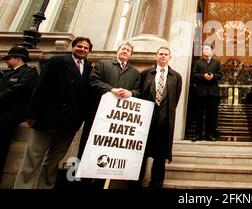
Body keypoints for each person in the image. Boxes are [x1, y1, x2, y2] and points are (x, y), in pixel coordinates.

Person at [14, 37, 93, 189]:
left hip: (69, 124)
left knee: (53, 162)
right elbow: (41, 88)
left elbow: (85, 97)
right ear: (73, 47)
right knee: (33, 159)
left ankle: (45, 187)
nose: (82, 49)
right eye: (80, 46)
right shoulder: (56, 61)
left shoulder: (89, 68)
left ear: (89, 51)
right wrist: (31, 115)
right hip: (47, 119)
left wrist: (79, 120)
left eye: (86, 48)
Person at [78, 41, 141, 188]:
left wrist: (130, 93)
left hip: (118, 123)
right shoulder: (102, 65)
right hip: (98, 117)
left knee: (110, 153)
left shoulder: (135, 73)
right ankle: (83, 182)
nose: (125, 52)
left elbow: (139, 91)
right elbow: (93, 82)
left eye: (128, 50)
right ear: (117, 51)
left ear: (131, 54)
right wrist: (111, 90)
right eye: (122, 49)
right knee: (88, 150)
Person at [136, 46, 182, 189]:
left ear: (170, 57)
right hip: (146, 119)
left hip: (164, 120)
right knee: (142, 151)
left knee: (161, 153)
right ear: (156, 56)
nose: (163, 56)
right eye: (160, 54)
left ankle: (156, 182)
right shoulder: (146, 73)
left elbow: (175, 99)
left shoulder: (176, 77)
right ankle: (138, 181)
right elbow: (139, 92)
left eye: (166, 54)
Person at [0, 46, 39, 182]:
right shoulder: (6, 73)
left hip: (12, 114)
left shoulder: (29, 73)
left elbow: (16, 89)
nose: (8, 61)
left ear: (18, 58)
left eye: (10, 58)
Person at [191, 44, 223, 141]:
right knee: (199, 114)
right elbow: (194, 75)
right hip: (201, 92)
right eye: (204, 49)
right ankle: (198, 135)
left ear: (211, 51)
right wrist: (203, 76)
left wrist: (213, 76)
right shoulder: (197, 62)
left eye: (208, 49)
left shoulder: (217, 63)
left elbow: (220, 75)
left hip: (213, 93)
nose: (205, 50)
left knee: (212, 114)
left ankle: (211, 134)